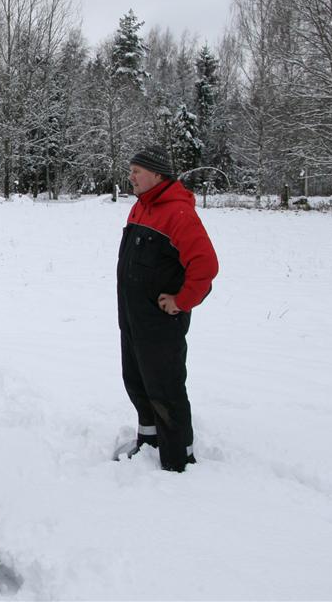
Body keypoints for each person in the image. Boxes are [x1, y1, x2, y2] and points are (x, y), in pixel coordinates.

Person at [116, 145, 219, 473]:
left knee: (165, 387)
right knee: (137, 381)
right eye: (131, 170)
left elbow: (205, 265)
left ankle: (178, 458)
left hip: (160, 322)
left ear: (157, 175)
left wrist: (181, 301)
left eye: (137, 171)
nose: (130, 176)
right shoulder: (141, 208)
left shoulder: (178, 213)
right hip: (134, 318)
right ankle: (150, 441)